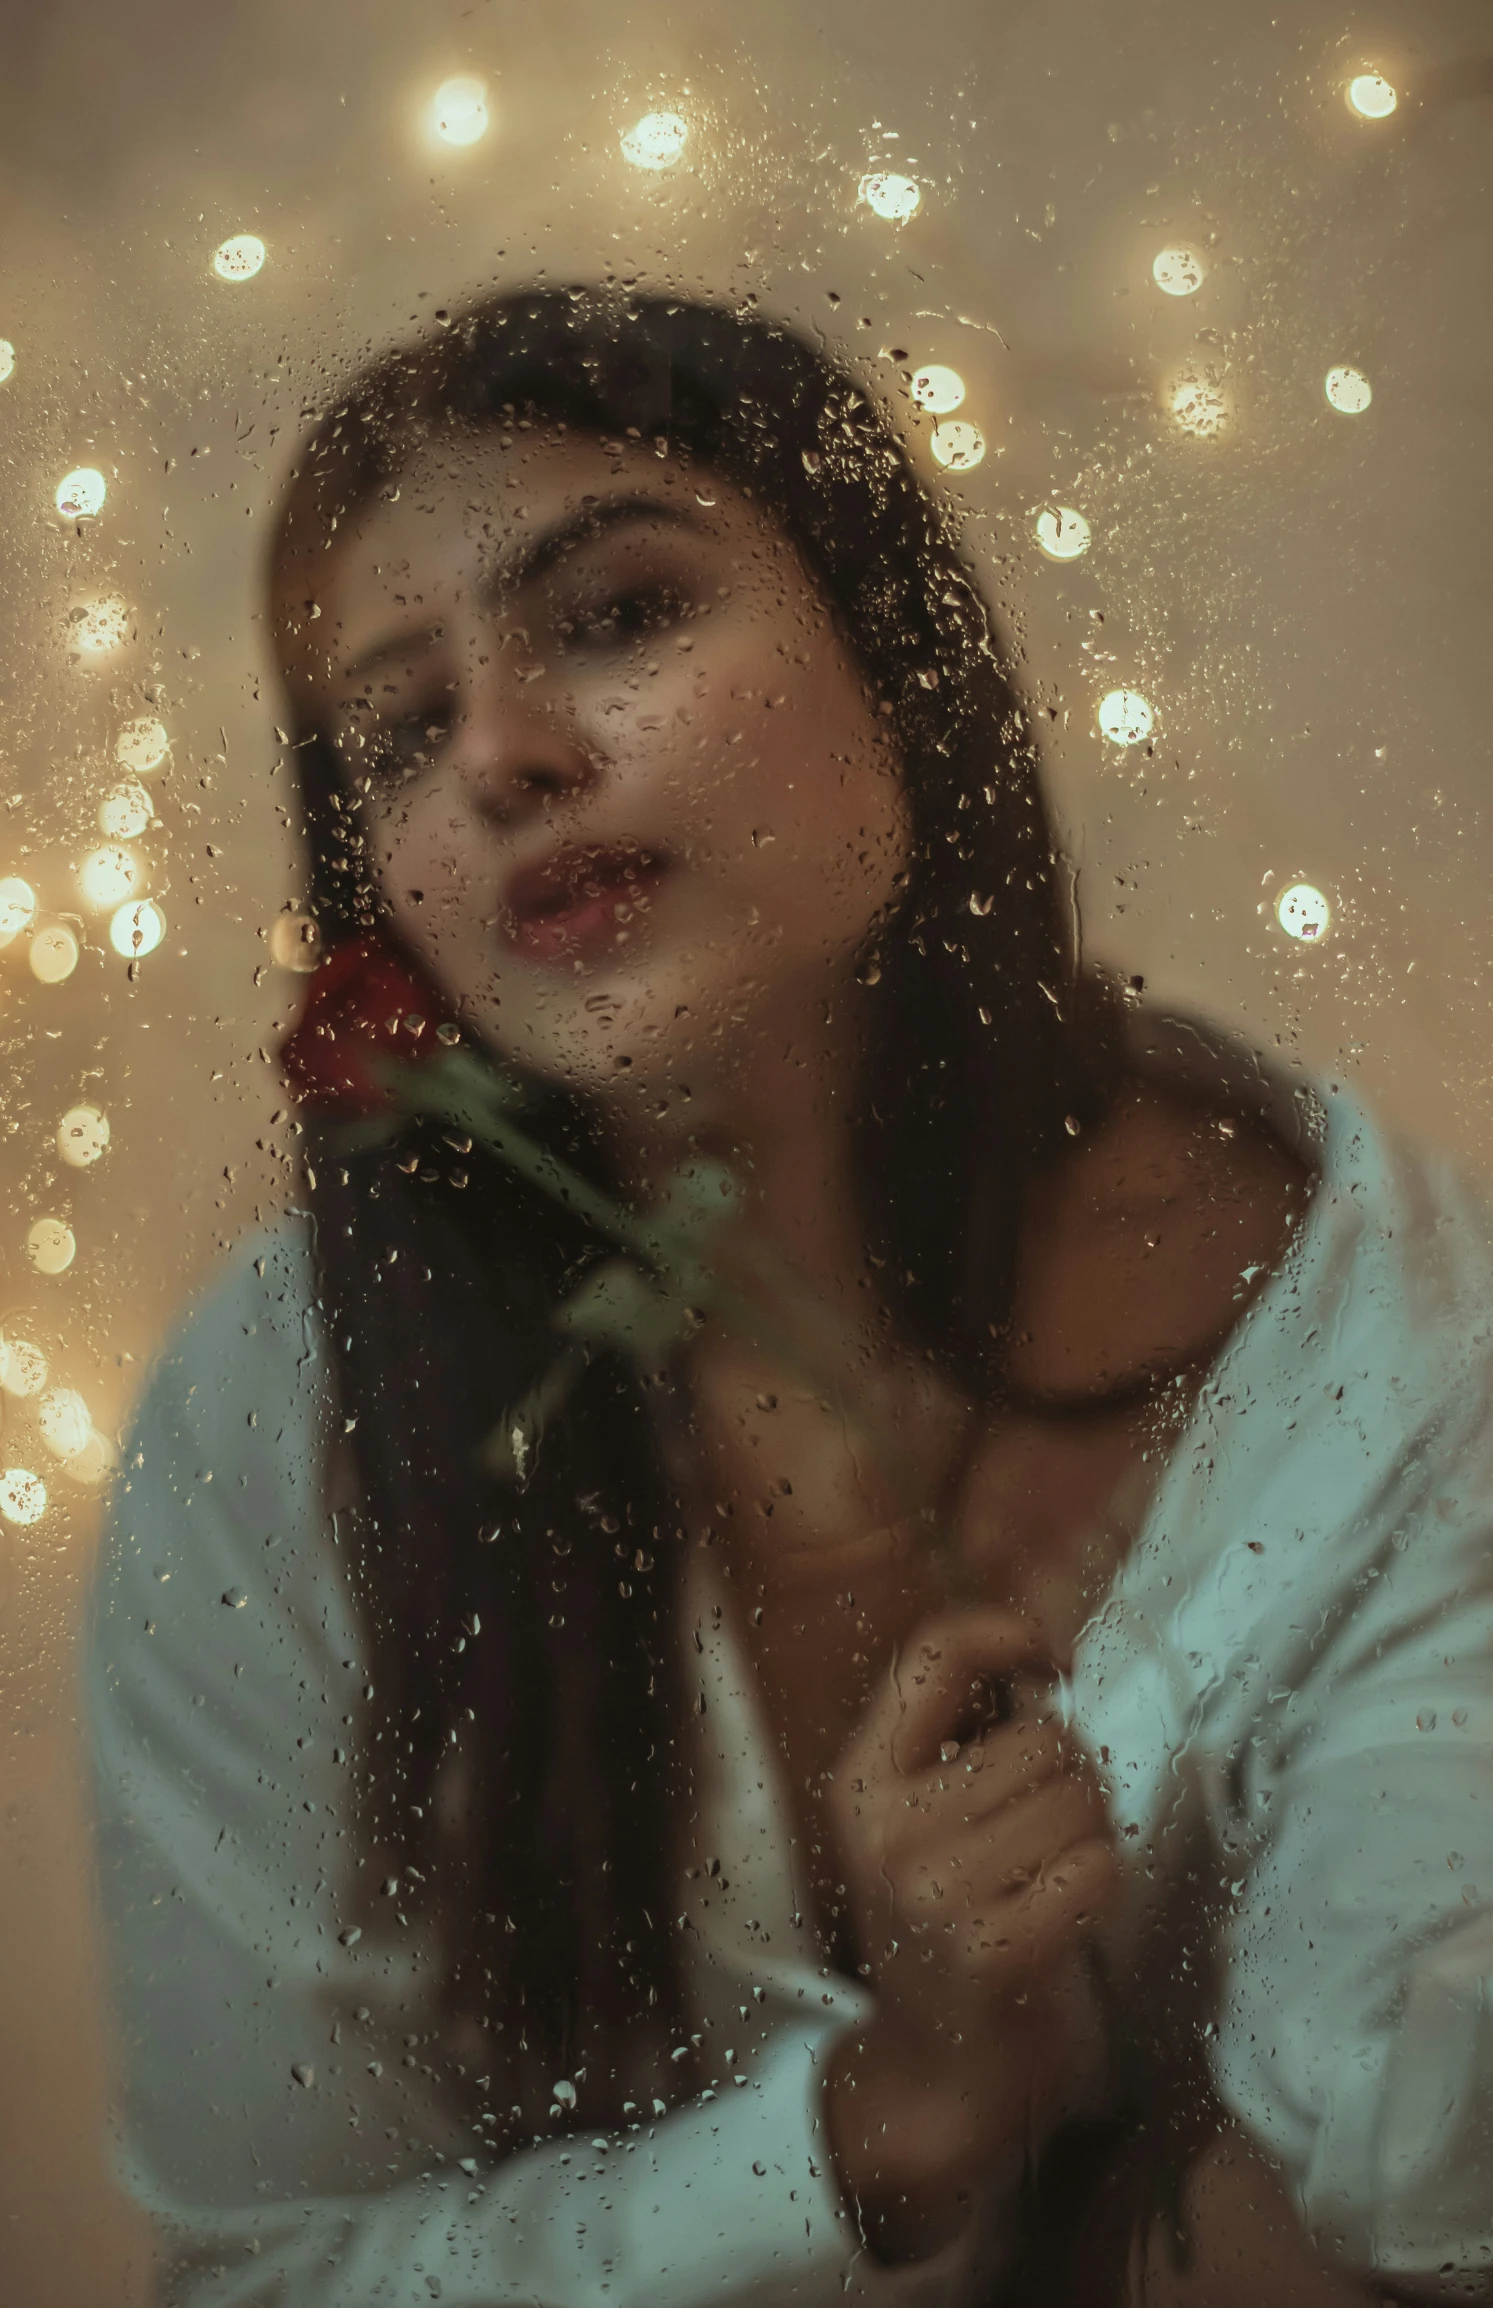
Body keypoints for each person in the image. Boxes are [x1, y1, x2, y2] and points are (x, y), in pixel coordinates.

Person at [87, 288, 1493, 2305]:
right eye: (399, 729)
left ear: (899, 652)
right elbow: (273, 2269)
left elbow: (1423, 2170)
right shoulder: (268, 1422)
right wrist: (871, 2128)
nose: (499, 753)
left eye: (619, 614)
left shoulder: (1370, 1318)